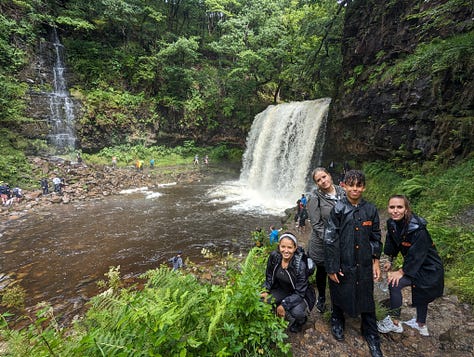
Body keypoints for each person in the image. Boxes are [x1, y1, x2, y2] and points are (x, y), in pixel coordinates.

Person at [324, 170, 383, 357]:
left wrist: (375, 261)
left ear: (363, 187)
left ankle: (371, 334)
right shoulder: (338, 209)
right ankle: (337, 319)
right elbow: (330, 239)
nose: (355, 189)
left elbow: (375, 237)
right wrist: (332, 266)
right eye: (351, 185)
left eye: (359, 185)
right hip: (343, 262)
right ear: (344, 186)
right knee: (339, 291)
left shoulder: (371, 210)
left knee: (366, 297)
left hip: (364, 263)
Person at [376, 195, 444, 337]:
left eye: (399, 207)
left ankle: (396, 323)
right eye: (392, 207)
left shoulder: (418, 229)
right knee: (413, 287)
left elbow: (417, 255)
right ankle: (420, 324)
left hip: (429, 269)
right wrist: (390, 259)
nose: (395, 210)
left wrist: (401, 271)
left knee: (395, 283)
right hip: (416, 266)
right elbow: (393, 242)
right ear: (388, 208)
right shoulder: (392, 224)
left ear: (406, 209)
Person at [307, 167, 345, 313]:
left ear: (329, 175)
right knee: (323, 271)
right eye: (319, 180)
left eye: (324, 177)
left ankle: (339, 300)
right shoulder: (314, 198)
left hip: (341, 240)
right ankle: (322, 296)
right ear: (316, 183)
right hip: (322, 243)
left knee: (339, 269)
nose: (323, 181)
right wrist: (332, 240)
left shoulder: (343, 192)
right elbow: (316, 225)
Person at [261, 232, 316, 333]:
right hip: (282, 289)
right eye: (283, 247)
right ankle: (275, 311)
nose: (286, 250)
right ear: (279, 246)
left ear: (295, 248)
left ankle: (301, 321)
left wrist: (284, 305)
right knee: (262, 299)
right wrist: (265, 289)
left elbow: (300, 293)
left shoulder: (300, 266)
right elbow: (269, 276)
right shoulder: (274, 257)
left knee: (296, 312)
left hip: (300, 294)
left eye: (289, 247)